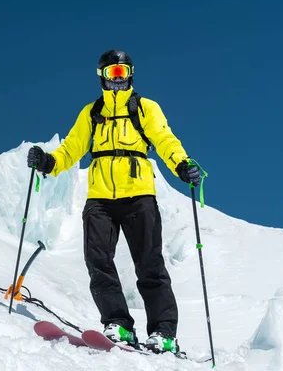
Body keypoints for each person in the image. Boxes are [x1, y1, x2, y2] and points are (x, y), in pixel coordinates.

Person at [26, 50, 201, 354]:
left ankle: (164, 332)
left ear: (131, 74)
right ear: (102, 78)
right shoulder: (92, 113)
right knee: (98, 262)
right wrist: (49, 161)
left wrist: (182, 164)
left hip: (139, 195)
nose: (118, 80)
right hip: (100, 199)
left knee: (149, 264)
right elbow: (72, 148)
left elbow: (164, 139)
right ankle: (118, 324)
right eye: (112, 74)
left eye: (122, 73)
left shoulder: (145, 108)